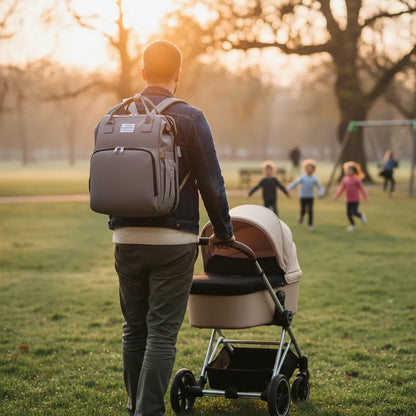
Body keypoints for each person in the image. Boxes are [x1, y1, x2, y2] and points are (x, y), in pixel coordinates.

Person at [103, 40, 234, 416]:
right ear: (179, 74)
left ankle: (134, 407)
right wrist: (224, 232)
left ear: (142, 73)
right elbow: (212, 181)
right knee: (161, 332)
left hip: (124, 237)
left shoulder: (116, 114)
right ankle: (149, 411)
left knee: (133, 329)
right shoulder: (191, 117)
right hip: (173, 239)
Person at [287, 159, 324, 231]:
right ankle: (301, 217)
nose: (309, 169)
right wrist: (288, 188)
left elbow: (320, 187)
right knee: (303, 210)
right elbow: (295, 183)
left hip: (310, 197)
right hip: (303, 197)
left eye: (310, 168)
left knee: (310, 211)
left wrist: (321, 193)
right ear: (305, 169)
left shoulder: (314, 178)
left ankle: (310, 225)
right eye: (307, 168)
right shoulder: (302, 177)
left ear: (313, 169)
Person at [333, 161, 368, 231]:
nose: (348, 172)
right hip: (348, 200)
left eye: (350, 171)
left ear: (354, 172)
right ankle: (353, 225)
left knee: (354, 212)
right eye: (347, 171)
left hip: (355, 200)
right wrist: (337, 195)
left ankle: (361, 216)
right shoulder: (344, 179)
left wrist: (365, 196)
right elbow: (342, 189)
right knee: (348, 214)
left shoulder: (356, 180)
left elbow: (362, 189)